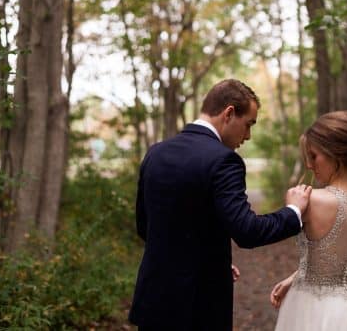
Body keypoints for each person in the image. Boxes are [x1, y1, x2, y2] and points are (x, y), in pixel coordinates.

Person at [128, 79, 312, 330]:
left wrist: (210, 259)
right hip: (198, 309)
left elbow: (146, 227)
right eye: (248, 125)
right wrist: (293, 211)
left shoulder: (156, 152)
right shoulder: (224, 160)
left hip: (154, 303)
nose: (247, 136)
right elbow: (247, 231)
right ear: (229, 113)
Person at [270, 111, 347, 331]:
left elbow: (266, 229)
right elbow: (333, 259)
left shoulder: (313, 201)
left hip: (313, 307)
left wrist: (292, 207)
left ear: (335, 154)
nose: (309, 164)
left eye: (314, 156)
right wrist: (294, 278)